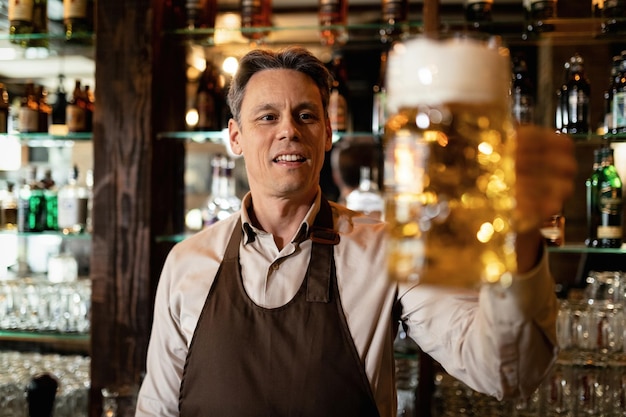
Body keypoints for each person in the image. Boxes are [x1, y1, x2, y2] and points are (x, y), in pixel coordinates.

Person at [135, 46, 577, 416]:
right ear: (235, 138)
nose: (289, 130)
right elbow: (157, 410)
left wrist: (520, 236)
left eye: (305, 115)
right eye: (267, 117)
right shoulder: (188, 262)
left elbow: (504, 371)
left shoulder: (384, 247)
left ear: (327, 132)